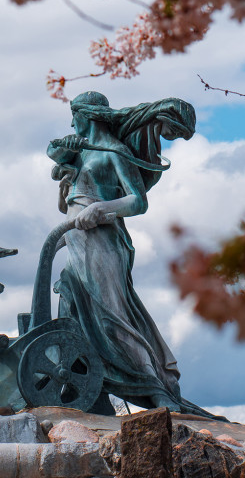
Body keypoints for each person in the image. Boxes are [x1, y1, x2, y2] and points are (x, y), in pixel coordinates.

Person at [47, 90, 198, 412]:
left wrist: (102, 208)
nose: (71, 123)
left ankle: (156, 389)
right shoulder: (81, 153)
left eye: (74, 116)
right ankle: (83, 389)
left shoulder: (112, 151)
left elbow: (138, 201)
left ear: (87, 116)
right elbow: (67, 204)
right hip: (75, 242)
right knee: (72, 311)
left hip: (102, 242)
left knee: (113, 316)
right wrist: (64, 178)